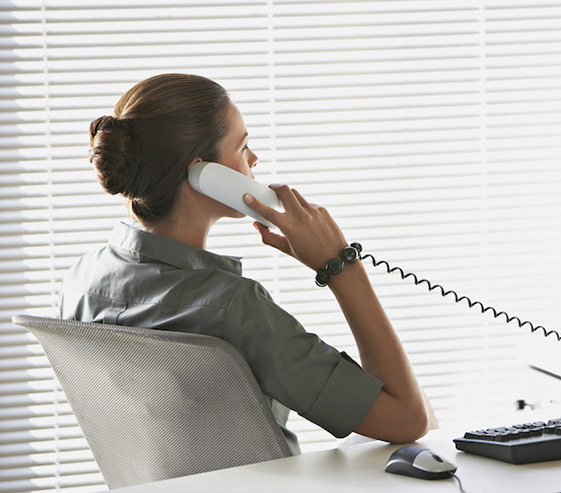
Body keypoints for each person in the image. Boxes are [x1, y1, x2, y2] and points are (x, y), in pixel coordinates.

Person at [59, 73, 437, 453]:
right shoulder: (232, 307)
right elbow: (407, 420)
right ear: (203, 173)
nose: (254, 159)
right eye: (243, 147)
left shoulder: (80, 281)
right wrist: (340, 265)